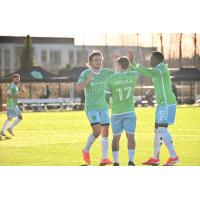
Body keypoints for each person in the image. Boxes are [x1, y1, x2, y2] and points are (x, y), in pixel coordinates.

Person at [132, 51, 179, 166]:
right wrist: (132, 63)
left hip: (167, 103)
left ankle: (174, 157)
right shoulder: (157, 70)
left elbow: (147, 72)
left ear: (158, 60)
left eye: (151, 58)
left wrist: (135, 64)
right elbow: (145, 71)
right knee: (157, 130)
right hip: (162, 104)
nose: (150, 60)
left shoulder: (161, 68)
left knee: (162, 129)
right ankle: (155, 158)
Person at [76, 50, 113, 166]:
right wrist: (88, 80)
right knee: (97, 132)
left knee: (105, 131)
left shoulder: (105, 72)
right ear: (90, 62)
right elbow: (78, 88)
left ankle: (104, 158)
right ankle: (86, 150)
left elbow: (119, 72)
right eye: (95, 60)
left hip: (103, 106)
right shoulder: (86, 73)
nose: (98, 62)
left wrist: (122, 61)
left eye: (99, 60)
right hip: (91, 107)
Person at [105, 56, 139, 166]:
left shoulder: (111, 79)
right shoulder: (133, 75)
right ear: (128, 66)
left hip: (116, 113)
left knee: (115, 139)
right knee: (131, 137)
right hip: (130, 112)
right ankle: (131, 161)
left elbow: (106, 97)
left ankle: (116, 162)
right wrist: (131, 62)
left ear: (118, 65)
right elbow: (136, 70)